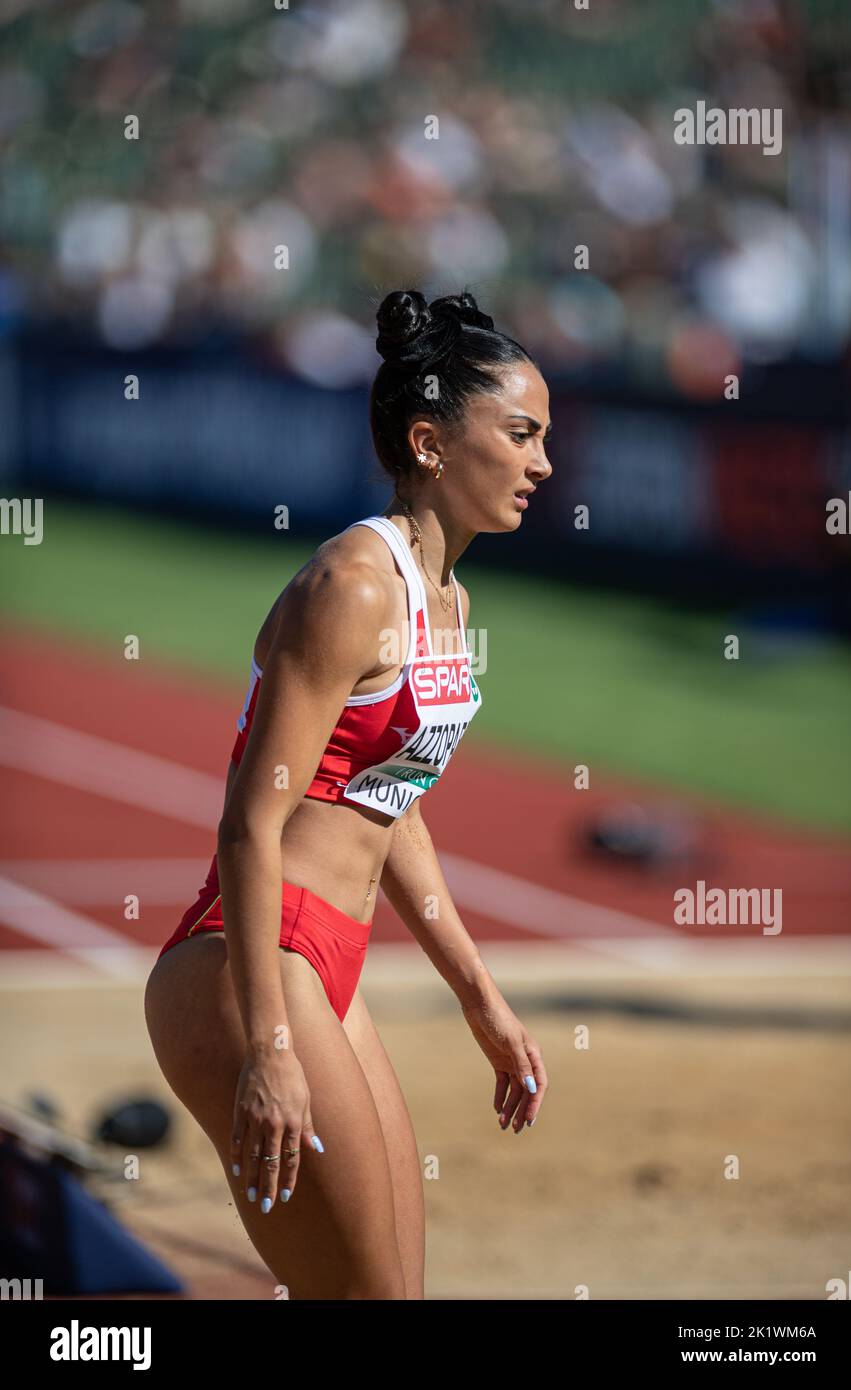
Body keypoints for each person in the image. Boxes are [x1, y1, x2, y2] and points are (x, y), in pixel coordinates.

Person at [144, 288, 553, 1300]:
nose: (542, 463)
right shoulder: (353, 584)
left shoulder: (449, 597)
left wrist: (480, 999)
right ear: (429, 441)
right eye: (520, 434)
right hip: (253, 966)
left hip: (325, 967)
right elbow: (250, 820)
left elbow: (388, 798)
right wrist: (270, 1047)